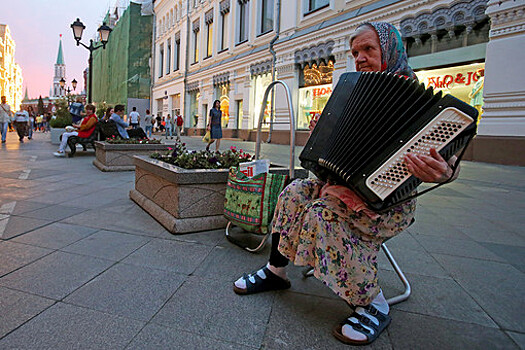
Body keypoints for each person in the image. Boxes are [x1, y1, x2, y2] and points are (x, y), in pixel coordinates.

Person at [233, 22, 460, 346]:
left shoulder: (421, 102)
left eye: (369, 49)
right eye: (355, 52)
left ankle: (373, 304)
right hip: (338, 187)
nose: (360, 58)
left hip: (388, 202)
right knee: (294, 192)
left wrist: (443, 171)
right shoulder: (352, 92)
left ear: (390, 50)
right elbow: (330, 150)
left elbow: (450, 162)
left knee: (323, 214)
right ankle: (276, 271)